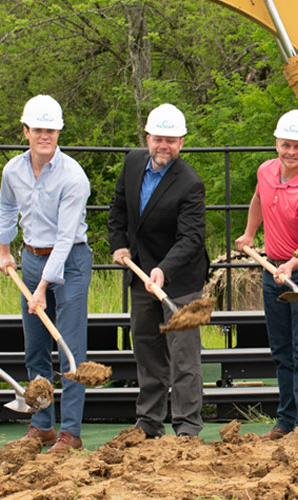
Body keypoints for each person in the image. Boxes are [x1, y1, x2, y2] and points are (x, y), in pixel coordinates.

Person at [0, 95, 92, 452]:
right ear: (26, 131)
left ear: (58, 132)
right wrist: (5, 250)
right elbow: (6, 209)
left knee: (69, 348)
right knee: (35, 347)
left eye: (50, 130)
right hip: (31, 260)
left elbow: (66, 238)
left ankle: (71, 433)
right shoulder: (13, 170)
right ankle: (42, 425)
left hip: (71, 262)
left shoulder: (73, 176)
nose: (44, 136)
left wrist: (42, 288)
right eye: (38, 129)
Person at [108, 103, 209, 438]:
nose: (164, 145)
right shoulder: (133, 162)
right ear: (148, 137)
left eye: (172, 140)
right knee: (147, 348)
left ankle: (187, 427)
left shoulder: (190, 183)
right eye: (158, 138)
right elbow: (118, 208)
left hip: (180, 279)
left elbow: (191, 238)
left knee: (183, 355)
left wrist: (164, 270)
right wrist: (118, 244)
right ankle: (149, 422)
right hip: (140, 272)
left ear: (181, 142)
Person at [234, 109, 298, 440]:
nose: (291, 152)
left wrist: (290, 266)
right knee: (281, 349)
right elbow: (259, 198)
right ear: (277, 143)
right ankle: (286, 420)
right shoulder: (265, 171)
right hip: (272, 267)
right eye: (286, 144)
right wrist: (249, 234)